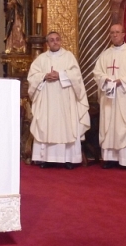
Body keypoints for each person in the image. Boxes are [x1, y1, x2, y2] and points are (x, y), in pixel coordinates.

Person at [28, 31, 90, 169]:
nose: (55, 42)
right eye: (51, 40)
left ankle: (68, 159)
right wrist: (44, 76)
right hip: (47, 101)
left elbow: (76, 76)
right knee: (46, 123)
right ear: (47, 43)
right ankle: (45, 158)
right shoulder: (41, 59)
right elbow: (32, 77)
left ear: (60, 41)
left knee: (65, 126)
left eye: (57, 39)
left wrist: (61, 75)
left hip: (64, 100)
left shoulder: (68, 57)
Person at [93, 24, 126, 169]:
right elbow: (97, 72)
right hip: (109, 97)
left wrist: (122, 81)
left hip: (125, 96)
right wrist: (105, 79)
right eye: (112, 33)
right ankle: (110, 158)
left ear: (124, 34)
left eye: (117, 32)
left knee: (125, 124)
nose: (114, 35)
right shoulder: (105, 54)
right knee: (109, 125)